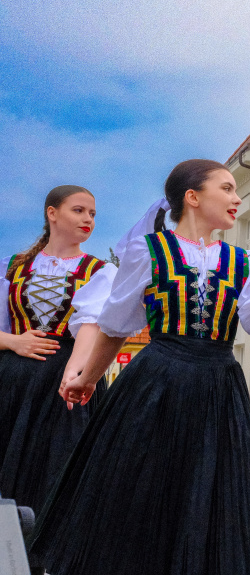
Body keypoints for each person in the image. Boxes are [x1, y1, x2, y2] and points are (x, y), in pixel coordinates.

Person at [30, 160, 250, 575]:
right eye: (227, 188)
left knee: (216, 493)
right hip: (158, 384)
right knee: (146, 492)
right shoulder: (148, 251)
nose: (237, 198)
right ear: (193, 197)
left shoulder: (243, 260)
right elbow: (114, 325)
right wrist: (88, 378)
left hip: (219, 386)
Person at [0, 185, 116, 517]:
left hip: (68, 377)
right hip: (14, 380)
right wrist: (14, 341)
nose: (88, 219)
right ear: (52, 213)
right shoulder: (12, 267)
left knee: (62, 469)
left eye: (92, 213)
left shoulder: (101, 271)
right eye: (78, 210)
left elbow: (93, 329)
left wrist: (76, 373)